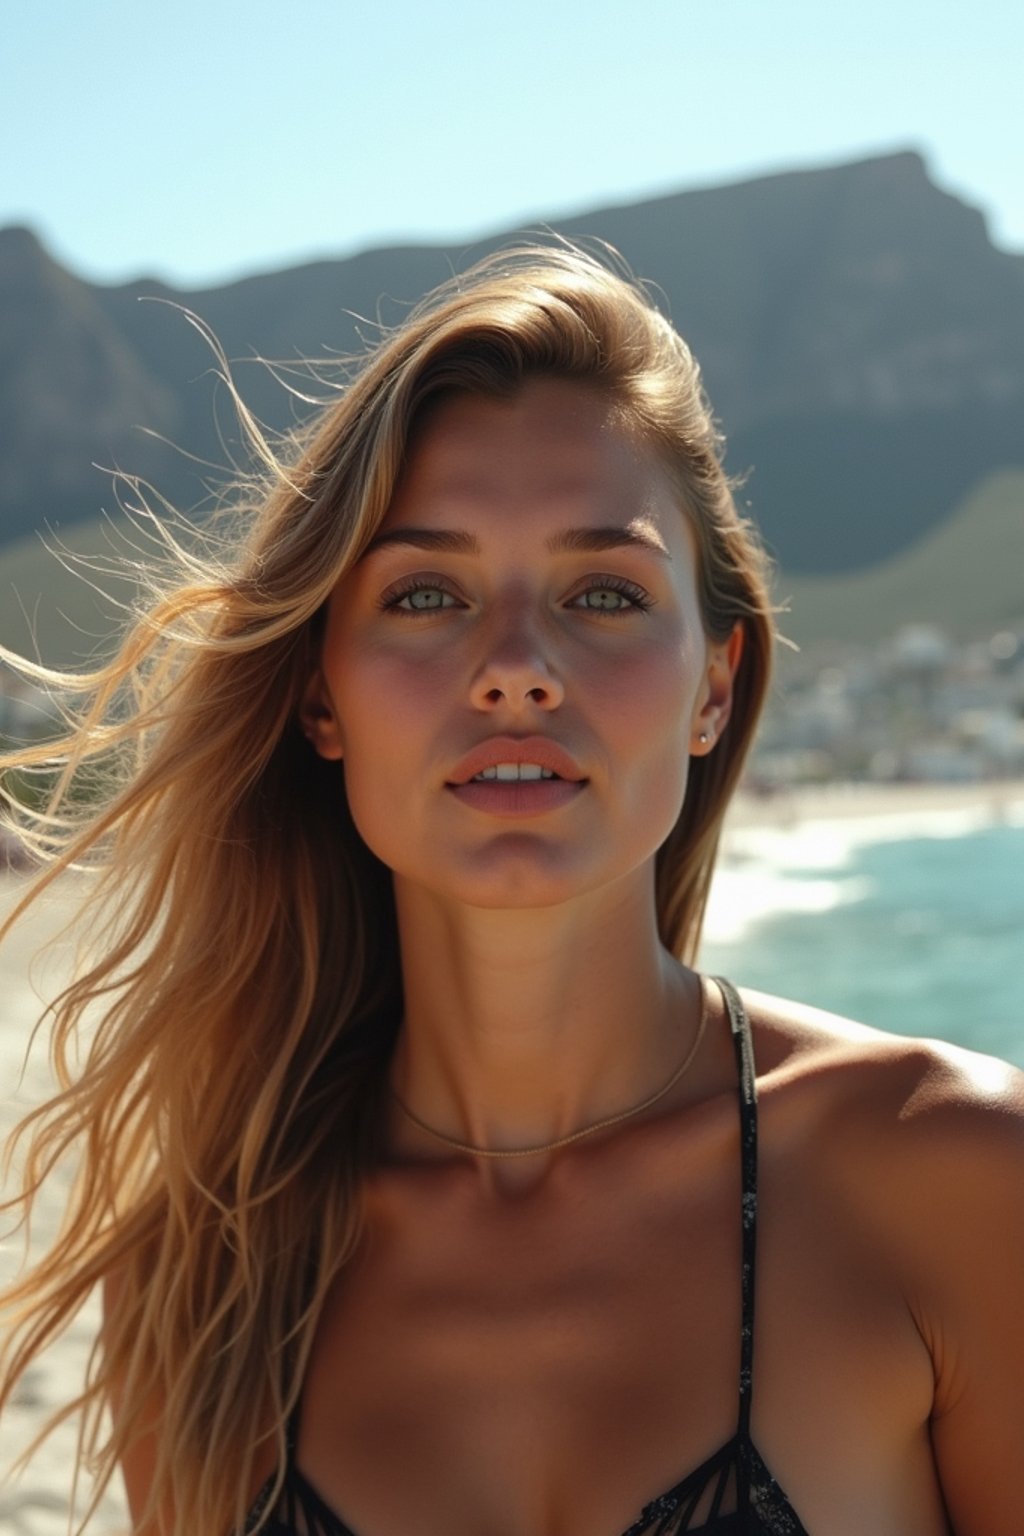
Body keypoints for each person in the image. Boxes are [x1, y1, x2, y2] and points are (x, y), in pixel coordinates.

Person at [1, 241, 1022, 1536]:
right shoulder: (209, 1286)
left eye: (604, 592)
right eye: (427, 594)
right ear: (322, 693)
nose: (518, 671)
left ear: (713, 686)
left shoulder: (957, 1180)